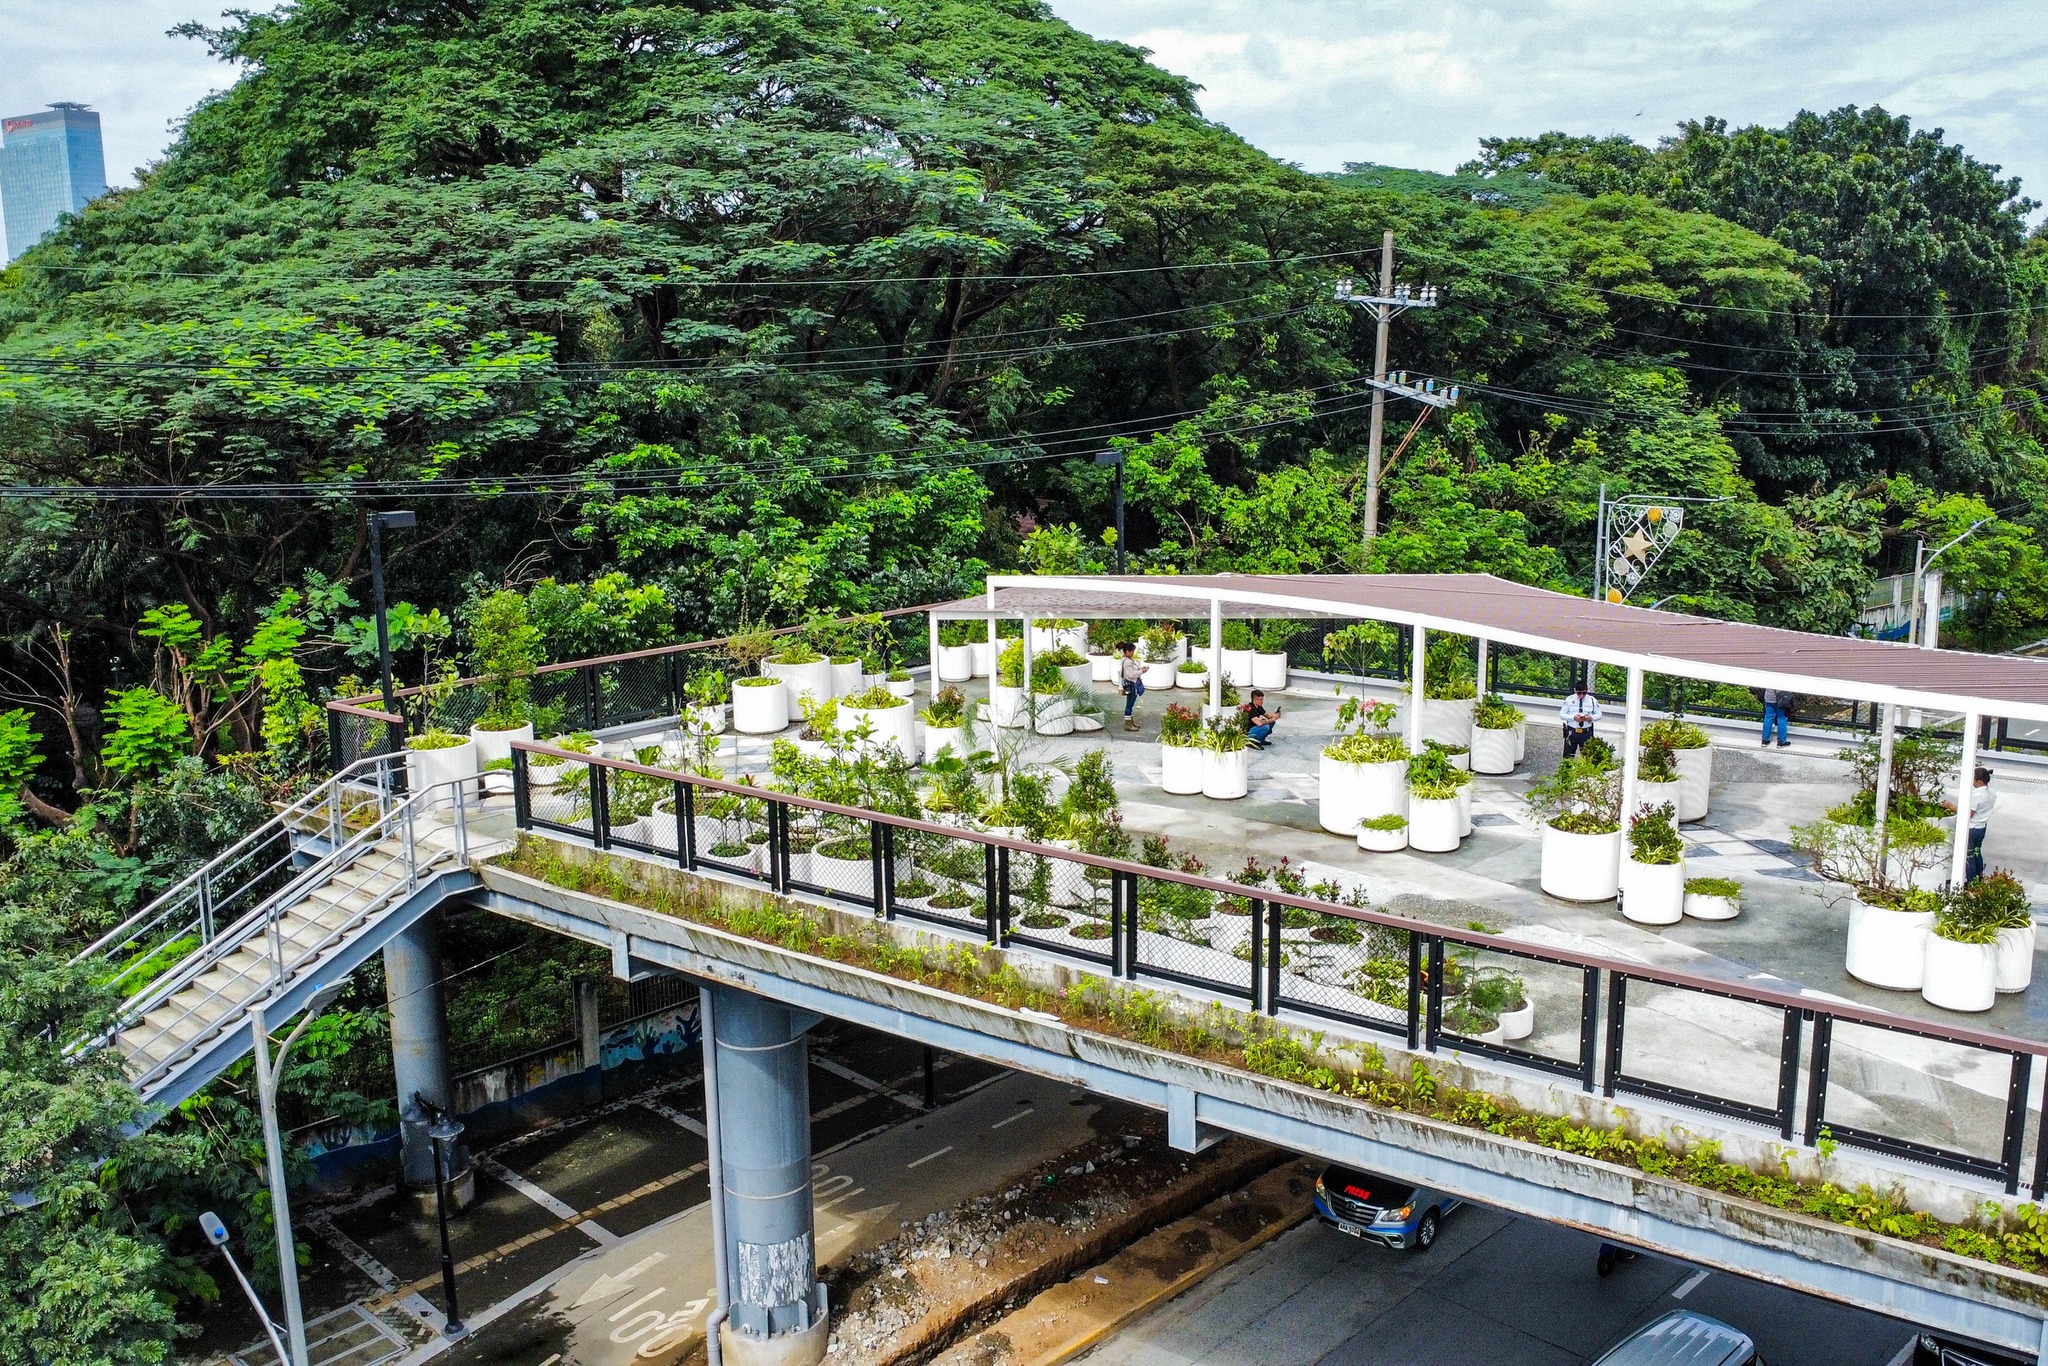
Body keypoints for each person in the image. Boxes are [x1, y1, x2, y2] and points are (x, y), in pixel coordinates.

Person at [1945, 766, 1996, 884]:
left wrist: (1951, 806)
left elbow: (1968, 814)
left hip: (1972, 828)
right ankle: (1979, 877)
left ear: (1979, 781)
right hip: (1982, 827)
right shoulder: (1991, 793)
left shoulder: (1977, 795)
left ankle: (1971, 881)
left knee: (1969, 856)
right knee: (1977, 852)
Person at [1559, 683, 1602, 759]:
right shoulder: (1569, 699)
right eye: (1579, 693)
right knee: (1568, 756)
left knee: (1587, 757)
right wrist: (1573, 718)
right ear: (1575, 690)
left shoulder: (1591, 700)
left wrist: (1591, 718)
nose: (1581, 695)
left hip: (1586, 732)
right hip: (1572, 732)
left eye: (1584, 693)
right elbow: (1562, 714)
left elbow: (1599, 715)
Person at [1118, 642, 1146, 731]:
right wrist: (1141, 671)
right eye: (1132, 651)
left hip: (1131, 684)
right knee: (1129, 704)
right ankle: (1128, 725)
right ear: (1127, 651)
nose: (1133, 653)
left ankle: (1130, 722)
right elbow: (1130, 675)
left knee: (1131, 704)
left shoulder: (1126, 660)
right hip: (1131, 684)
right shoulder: (1127, 662)